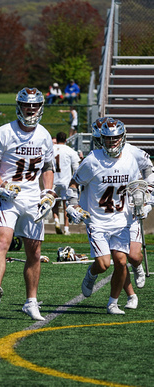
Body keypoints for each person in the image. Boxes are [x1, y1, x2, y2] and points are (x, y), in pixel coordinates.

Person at [0, 87, 55, 321]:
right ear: (19, 106)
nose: (31, 109)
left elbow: (47, 168)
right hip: (8, 197)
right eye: (27, 105)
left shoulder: (43, 134)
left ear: (41, 108)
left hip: (33, 197)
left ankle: (31, 301)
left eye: (34, 106)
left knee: (34, 250)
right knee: (2, 241)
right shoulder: (4, 132)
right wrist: (1, 184)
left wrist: (49, 193)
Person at [68, 118, 140, 315]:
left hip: (121, 220)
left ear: (122, 138)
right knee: (103, 264)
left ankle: (113, 303)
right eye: (108, 139)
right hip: (98, 221)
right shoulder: (92, 160)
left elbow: (136, 186)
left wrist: (141, 201)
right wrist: (72, 204)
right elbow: (73, 183)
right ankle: (91, 274)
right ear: (102, 139)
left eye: (116, 138)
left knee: (121, 262)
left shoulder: (129, 160)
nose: (112, 142)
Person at [90, 117, 150, 310]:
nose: (106, 143)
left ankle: (138, 268)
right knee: (119, 259)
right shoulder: (96, 156)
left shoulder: (132, 153)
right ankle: (129, 296)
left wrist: (147, 199)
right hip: (106, 214)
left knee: (134, 257)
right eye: (102, 138)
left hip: (130, 210)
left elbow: (148, 171)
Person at [52, 131, 80, 235]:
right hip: (66, 181)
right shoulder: (70, 151)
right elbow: (76, 167)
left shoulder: (51, 150)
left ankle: (56, 220)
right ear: (66, 140)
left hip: (54, 181)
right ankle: (66, 228)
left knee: (54, 204)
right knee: (66, 206)